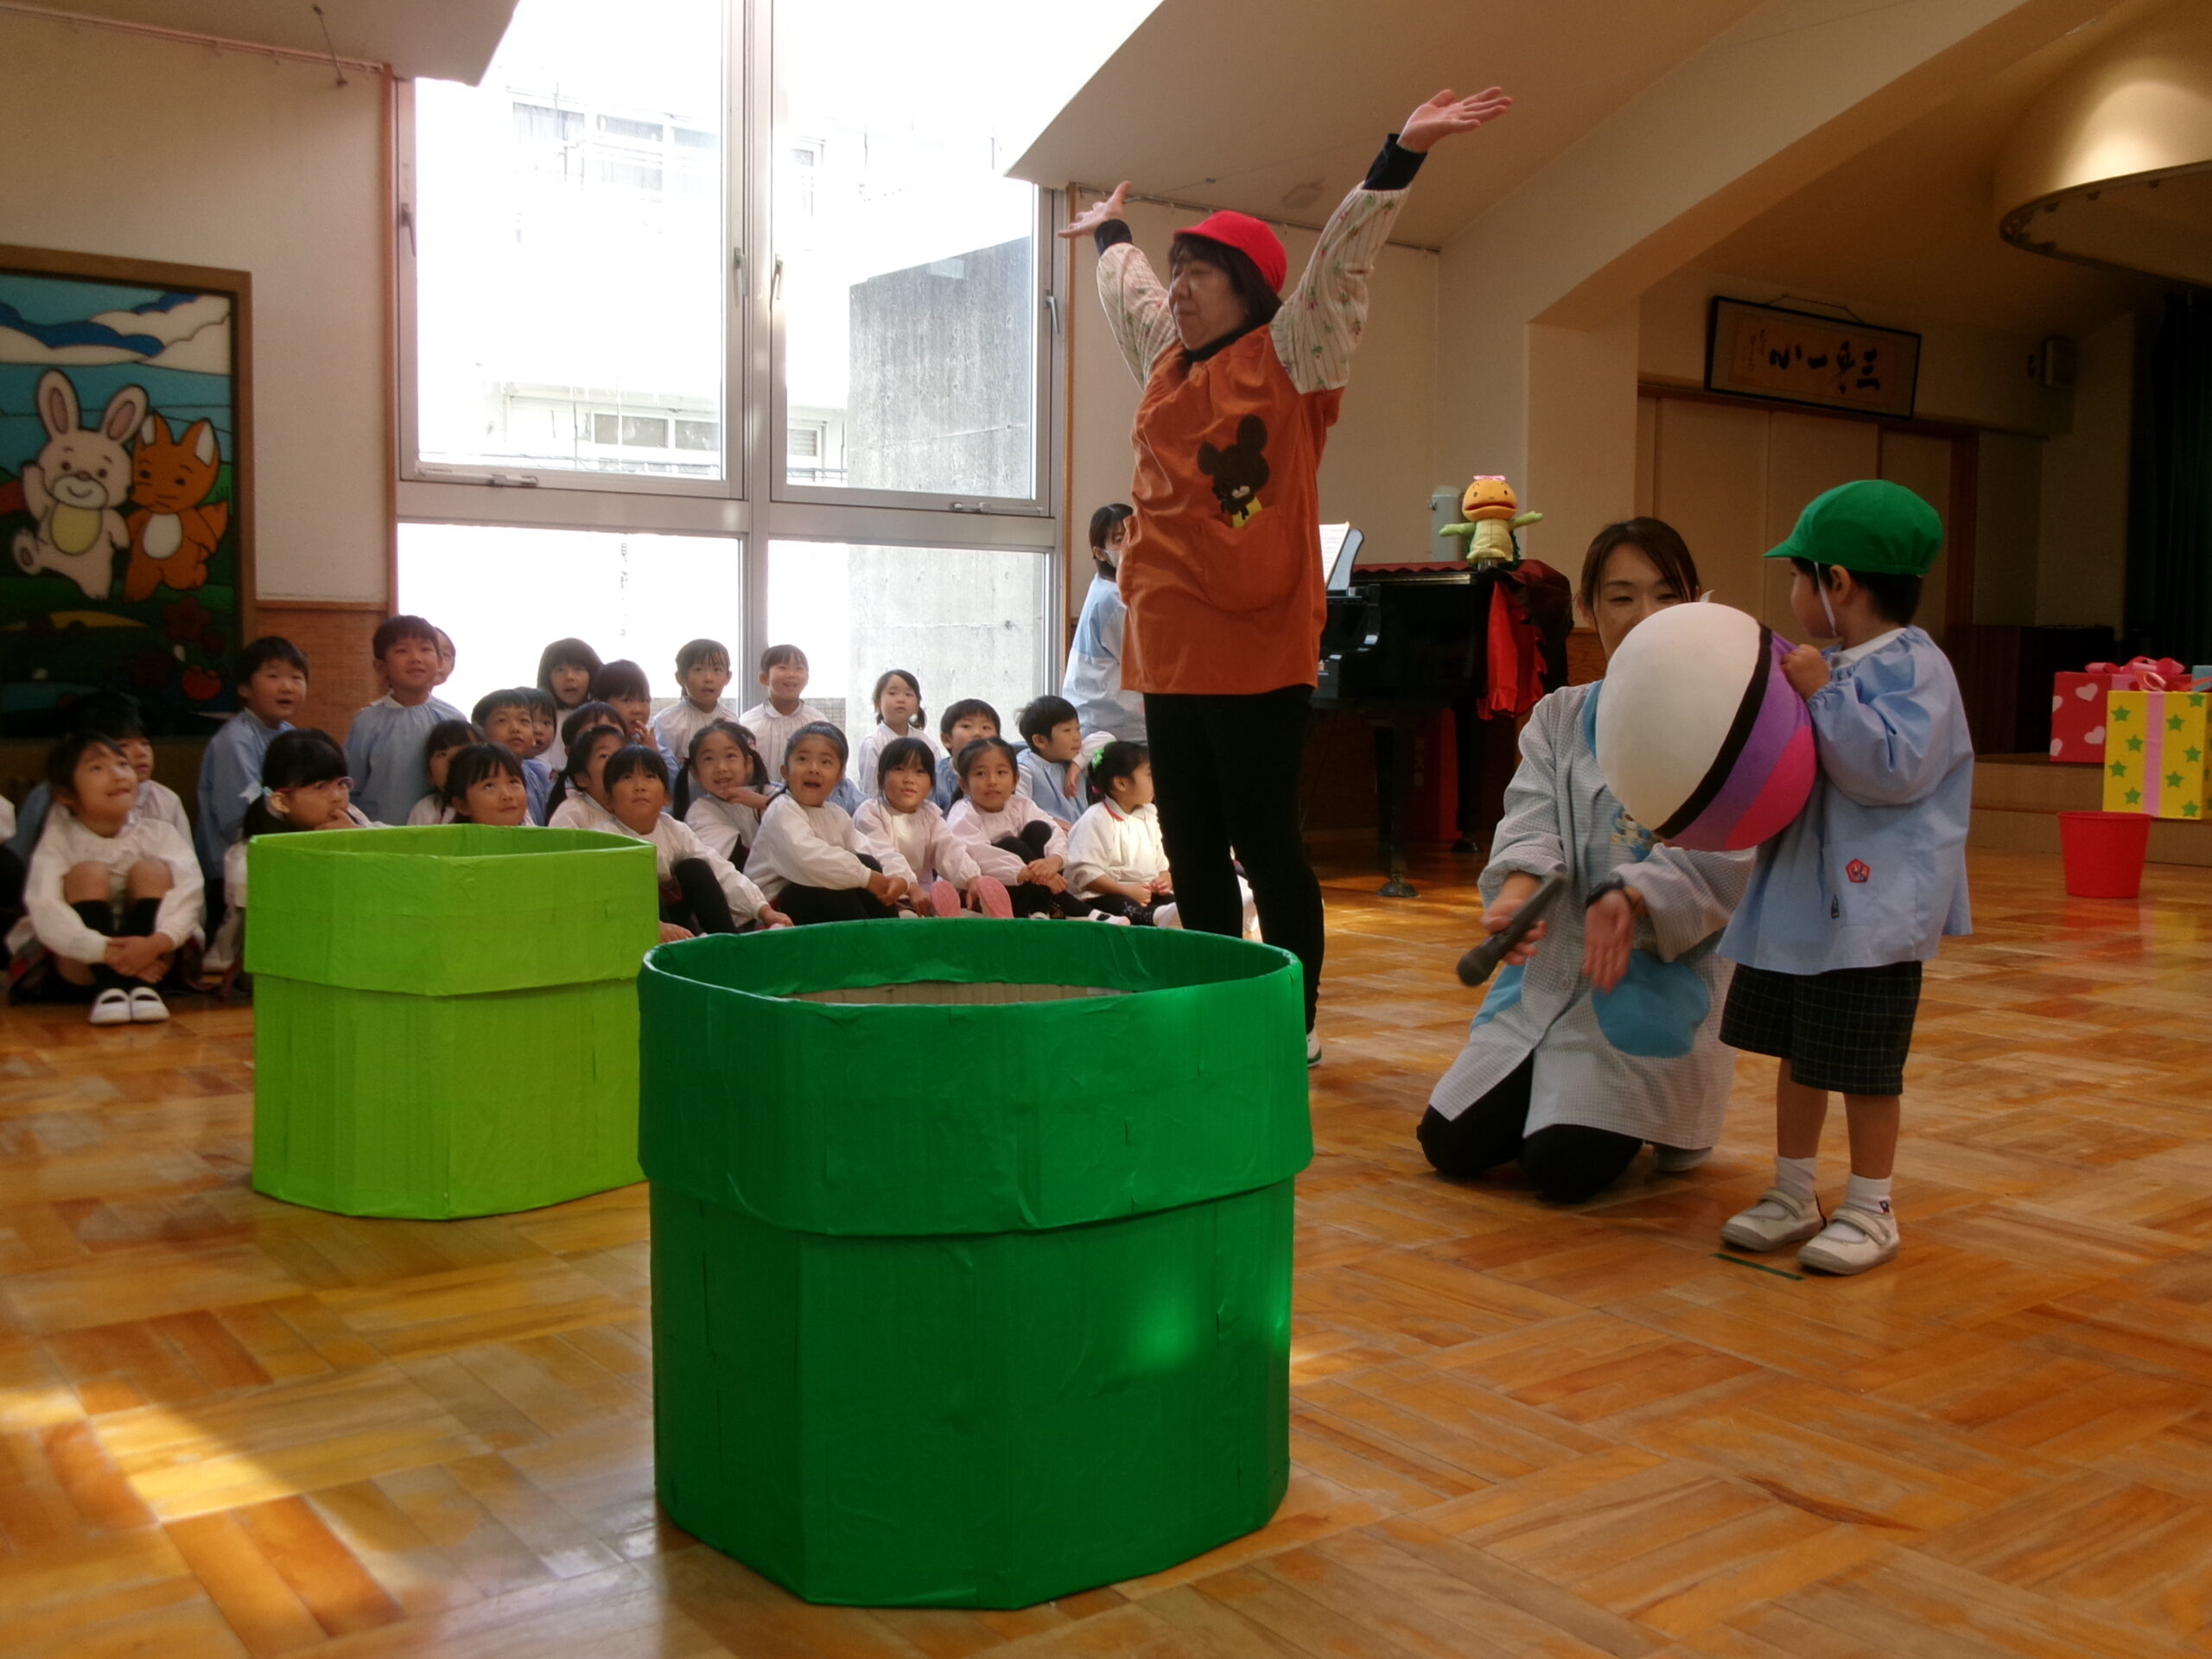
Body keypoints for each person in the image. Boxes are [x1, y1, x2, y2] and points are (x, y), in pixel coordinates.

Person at [1065, 85, 1515, 1063]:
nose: (1179, 290)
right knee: (1189, 842)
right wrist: (1114, 234)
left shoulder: (1295, 355)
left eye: (1200, 274)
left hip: (1257, 644)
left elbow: (1342, 264)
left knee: (1265, 842)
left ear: (1248, 288)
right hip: (1168, 644)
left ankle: (1290, 1019)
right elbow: (1130, 296)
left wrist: (1401, 155)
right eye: (1178, 272)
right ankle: (1214, 1004)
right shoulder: (1166, 362)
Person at [1419, 520, 1751, 1203]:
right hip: (1552, 969)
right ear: (1588, 610)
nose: (1645, 615)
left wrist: (1631, 896)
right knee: (1449, 1145)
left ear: (1695, 602)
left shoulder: (1726, 719)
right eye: (1622, 597)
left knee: (1561, 1170)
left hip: (1648, 982)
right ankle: (1546, 1087)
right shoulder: (1560, 718)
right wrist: (1517, 893)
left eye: (1666, 595)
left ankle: (1663, 1121)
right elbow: (1531, 821)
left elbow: (1729, 856)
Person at [1717, 481, 1973, 1276]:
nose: (1793, 594)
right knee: (1800, 1055)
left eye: (1798, 577)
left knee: (1864, 1067)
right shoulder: (1822, 665)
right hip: (1802, 905)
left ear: (1837, 582)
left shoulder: (1918, 668)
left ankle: (1871, 1207)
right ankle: (1794, 1191)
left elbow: (1889, 771)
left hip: (1872, 915)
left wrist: (1821, 695)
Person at [22, 732, 204, 1025]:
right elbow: (45, 906)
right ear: (66, 795)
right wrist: (106, 952)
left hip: (154, 959)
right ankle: (110, 989)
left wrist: (154, 944)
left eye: (122, 764)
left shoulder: (159, 833)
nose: (118, 775)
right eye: (97, 768)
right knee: (88, 873)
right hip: (84, 964)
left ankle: (142, 989)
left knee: (152, 870)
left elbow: (190, 893)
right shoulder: (59, 839)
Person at [200, 728, 373, 983]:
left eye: (342, 783)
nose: (337, 797)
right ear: (281, 801)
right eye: (320, 787)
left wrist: (358, 843)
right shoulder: (248, 857)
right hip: (272, 967)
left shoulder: (354, 821)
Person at [599, 746, 787, 938]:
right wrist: (652, 925)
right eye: (627, 778)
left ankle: (729, 945)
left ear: (666, 797)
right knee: (640, 874)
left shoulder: (675, 830)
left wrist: (763, 910)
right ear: (608, 799)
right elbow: (605, 900)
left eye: (649, 777)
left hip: (674, 922)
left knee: (695, 868)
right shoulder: (604, 839)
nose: (639, 786)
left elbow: (719, 869)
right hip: (627, 929)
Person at [745, 724, 908, 924]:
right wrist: (866, 878)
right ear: (785, 771)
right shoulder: (781, 810)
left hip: (818, 901)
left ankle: (887, 934)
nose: (813, 769)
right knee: (832, 881)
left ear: (839, 777)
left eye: (825, 762)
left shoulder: (836, 814)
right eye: (803, 759)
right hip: (773, 910)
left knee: (866, 862)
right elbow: (809, 860)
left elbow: (868, 848)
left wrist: (898, 878)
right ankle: (863, 941)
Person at [947, 737, 1112, 920]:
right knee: (1011, 844)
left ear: (1015, 780)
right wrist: (1025, 872)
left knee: (1039, 829)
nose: (992, 781)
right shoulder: (963, 813)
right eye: (980, 774)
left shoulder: (1022, 804)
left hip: (1031, 886)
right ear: (964, 784)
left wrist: (1055, 860)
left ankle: (1039, 911)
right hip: (990, 891)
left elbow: (1054, 831)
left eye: (1001, 772)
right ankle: (1075, 909)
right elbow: (978, 854)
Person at [195, 637, 306, 891]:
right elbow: (237, 819)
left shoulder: (292, 735)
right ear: (245, 689)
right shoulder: (235, 740)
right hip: (233, 871)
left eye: (296, 677)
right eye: (273, 676)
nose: (287, 687)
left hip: (276, 858)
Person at [854, 735, 1000, 918]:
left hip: (925, 896)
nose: (909, 779)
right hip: (886, 895)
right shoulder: (870, 813)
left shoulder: (929, 814)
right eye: (899, 769)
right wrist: (910, 887)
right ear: (880, 779)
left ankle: (976, 915)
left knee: (970, 917)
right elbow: (883, 854)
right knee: (908, 919)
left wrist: (971, 878)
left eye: (920, 771)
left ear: (931, 784)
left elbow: (948, 848)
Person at [346, 615, 466, 826]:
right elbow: (351, 786)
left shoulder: (453, 719)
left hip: (440, 834)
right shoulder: (366, 722)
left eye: (425, 649)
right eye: (402, 651)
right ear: (381, 667)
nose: (415, 658)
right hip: (378, 833)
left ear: (439, 662)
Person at [1065, 741, 1183, 926]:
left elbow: (1161, 860)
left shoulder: (1150, 813)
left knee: (1177, 904)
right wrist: (1125, 889)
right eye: (1149, 775)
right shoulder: (1096, 819)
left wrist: (1164, 879)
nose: (1155, 780)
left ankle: (1163, 915)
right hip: (1104, 894)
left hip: (1145, 891)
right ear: (1121, 783)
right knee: (1122, 906)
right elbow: (1085, 872)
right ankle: (1152, 916)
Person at [738, 645, 861, 814]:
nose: (791, 674)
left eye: (798, 669)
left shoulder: (817, 722)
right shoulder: (747, 723)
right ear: (764, 678)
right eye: (782, 667)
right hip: (757, 808)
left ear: (807, 678)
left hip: (809, 808)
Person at [1062, 503, 1144, 744]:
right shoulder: (1115, 599)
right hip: (1114, 726)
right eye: (1119, 539)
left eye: (1134, 533)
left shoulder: (1108, 585)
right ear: (1100, 553)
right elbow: (1144, 663)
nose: (1130, 543)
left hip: (1102, 719)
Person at [679, 719, 773, 864]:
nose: (721, 768)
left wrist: (763, 803)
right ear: (695, 773)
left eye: (730, 756)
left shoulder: (772, 794)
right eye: (709, 759)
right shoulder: (701, 811)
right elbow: (717, 865)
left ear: (748, 764)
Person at [852, 670, 943, 792]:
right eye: (892, 693)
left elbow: (936, 784)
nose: (901, 699)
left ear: (917, 706)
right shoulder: (873, 744)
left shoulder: (926, 742)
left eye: (908, 694)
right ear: (878, 704)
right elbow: (871, 791)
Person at [652, 639, 737, 766]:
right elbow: (661, 768)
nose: (708, 678)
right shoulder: (668, 722)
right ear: (680, 678)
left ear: (728, 677)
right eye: (698, 670)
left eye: (717, 670)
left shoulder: (731, 720)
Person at [471, 689, 551, 823]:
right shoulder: (475, 774)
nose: (515, 728)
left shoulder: (538, 774)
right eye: (502, 721)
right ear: (480, 732)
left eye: (524, 720)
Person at [1015, 695, 1088, 827]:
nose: (1077, 737)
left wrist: (1076, 766)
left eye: (1078, 729)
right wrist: (1052, 822)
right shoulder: (1025, 769)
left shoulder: (1076, 759)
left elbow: (1106, 738)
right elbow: (1018, 809)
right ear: (1040, 741)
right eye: (1067, 730)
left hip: (1083, 832)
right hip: (1051, 834)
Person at [537, 638, 603, 771]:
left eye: (578, 669)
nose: (569, 677)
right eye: (559, 670)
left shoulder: (606, 717)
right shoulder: (542, 721)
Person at [547, 724, 629, 831]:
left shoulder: (634, 809)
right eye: (605, 756)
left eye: (623, 754)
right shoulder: (573, 812)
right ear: (582, 778)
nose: (618, 761)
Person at [404, 719, 480, 825]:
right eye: (442, 754)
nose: (452, 758)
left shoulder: (498, 800)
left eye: (464, 751)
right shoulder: (426, 810)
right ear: (430, 775)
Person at [931, 698, 1001, 810]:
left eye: (986, 727)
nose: (978, 733)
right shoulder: (933, 777)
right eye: (967, 726)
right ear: (947, 739)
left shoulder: (1005, 773)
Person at [443, 742, 533, 827]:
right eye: (489, 786)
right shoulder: (449, 838)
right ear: (463, 805)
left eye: (513, 782)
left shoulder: (538, 837)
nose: (507, 795)